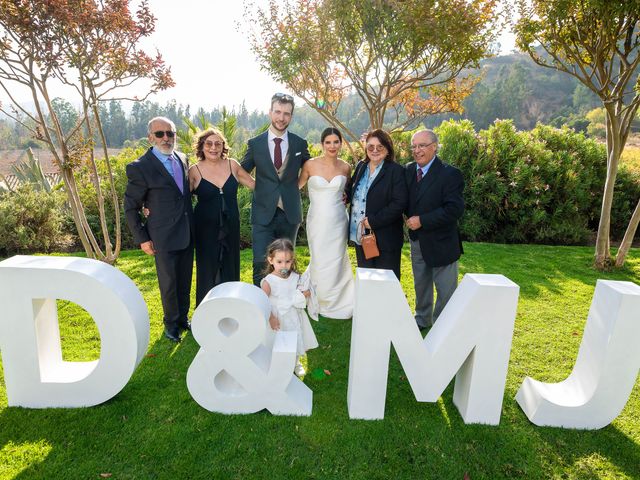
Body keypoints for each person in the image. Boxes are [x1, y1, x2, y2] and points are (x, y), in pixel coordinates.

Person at [124, 116, 193, 343]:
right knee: (169, 282)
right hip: (162, 236)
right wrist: (142, 238)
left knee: (184, 279)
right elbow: (131, 207)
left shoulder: (183, 159)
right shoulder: (140, 167)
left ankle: (183, 319)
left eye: (170, 133)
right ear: (150, 137)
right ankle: (171, 325)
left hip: (186, 231)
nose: (166, 138)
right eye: (160, 134)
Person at [242, 93, 311, 286]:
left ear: (291, 116)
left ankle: (285, 305)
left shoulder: (299, 143)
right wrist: (257, 186)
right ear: (270, 112)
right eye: (278, 112)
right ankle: (260, 308)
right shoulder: (255, 144)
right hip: (263, 212)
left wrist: (297, 185)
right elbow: (241, 170)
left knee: (286, 262)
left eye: (286, 113)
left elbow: (311, 168)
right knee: (260, 262)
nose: (281, 118)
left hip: (290, 213)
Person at [405, 129, 464, 329]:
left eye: (422, 145)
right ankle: (422, 319)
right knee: (421, 284)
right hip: (417, 241)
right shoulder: (408, 170)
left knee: (446, 290)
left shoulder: (450, 174)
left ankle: (443, 326)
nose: (417, 150)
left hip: (442, 242)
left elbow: (454, 209)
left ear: (434, 147)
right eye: (414, 146)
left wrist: (422, 220)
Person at [190, 128, 255, 306]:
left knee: (230, 262)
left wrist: (281, 185)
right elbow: (180, 201)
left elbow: (254, 185)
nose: (213, 147)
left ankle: (231, 304)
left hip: (231, 225)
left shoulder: (232, 165)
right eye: (209, 143)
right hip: (204, 228)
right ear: (202, 146)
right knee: (207, 266)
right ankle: (206, 307)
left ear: (223, 147)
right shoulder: (194, 171)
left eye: (218, 144)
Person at [298, 127, 354, 319]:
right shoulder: (309, 165)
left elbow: (350, 192)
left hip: (339, 220)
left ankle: (340, 299)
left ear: (341, 143)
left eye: (336, 142)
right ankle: (319, 297)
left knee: (337, 258)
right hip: (317, 220)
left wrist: (347, 197)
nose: (332, 146)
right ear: (322, 144)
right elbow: (295, 187)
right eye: (328, 142)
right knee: (320, 257)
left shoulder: (346, 167)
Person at [346, 129, 408, 279]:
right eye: (370, 147)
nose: (375, 150)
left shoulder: (396, 171)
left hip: (386, 238)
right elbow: (354, 190)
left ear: (388, 149)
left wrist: (373, 221)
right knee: (367, 281)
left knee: (386, 283)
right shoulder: (361, 166)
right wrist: (345, 195)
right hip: (361, 236)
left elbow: (399, 203)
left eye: (380, 147)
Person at [260, 238, 319, 377]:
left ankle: (295, 363)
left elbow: (299, 292)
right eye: (279, 262)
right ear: (270, 260)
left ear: (292, 260)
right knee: (276, 342)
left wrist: (306, 293)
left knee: (294, 339)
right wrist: (271, 318)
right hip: (276, 317)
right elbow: (262, 301)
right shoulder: (268, 281)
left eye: (288, 261)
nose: (284, 266)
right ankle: (274, 365)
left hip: (293, 316)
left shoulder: (295, 277)